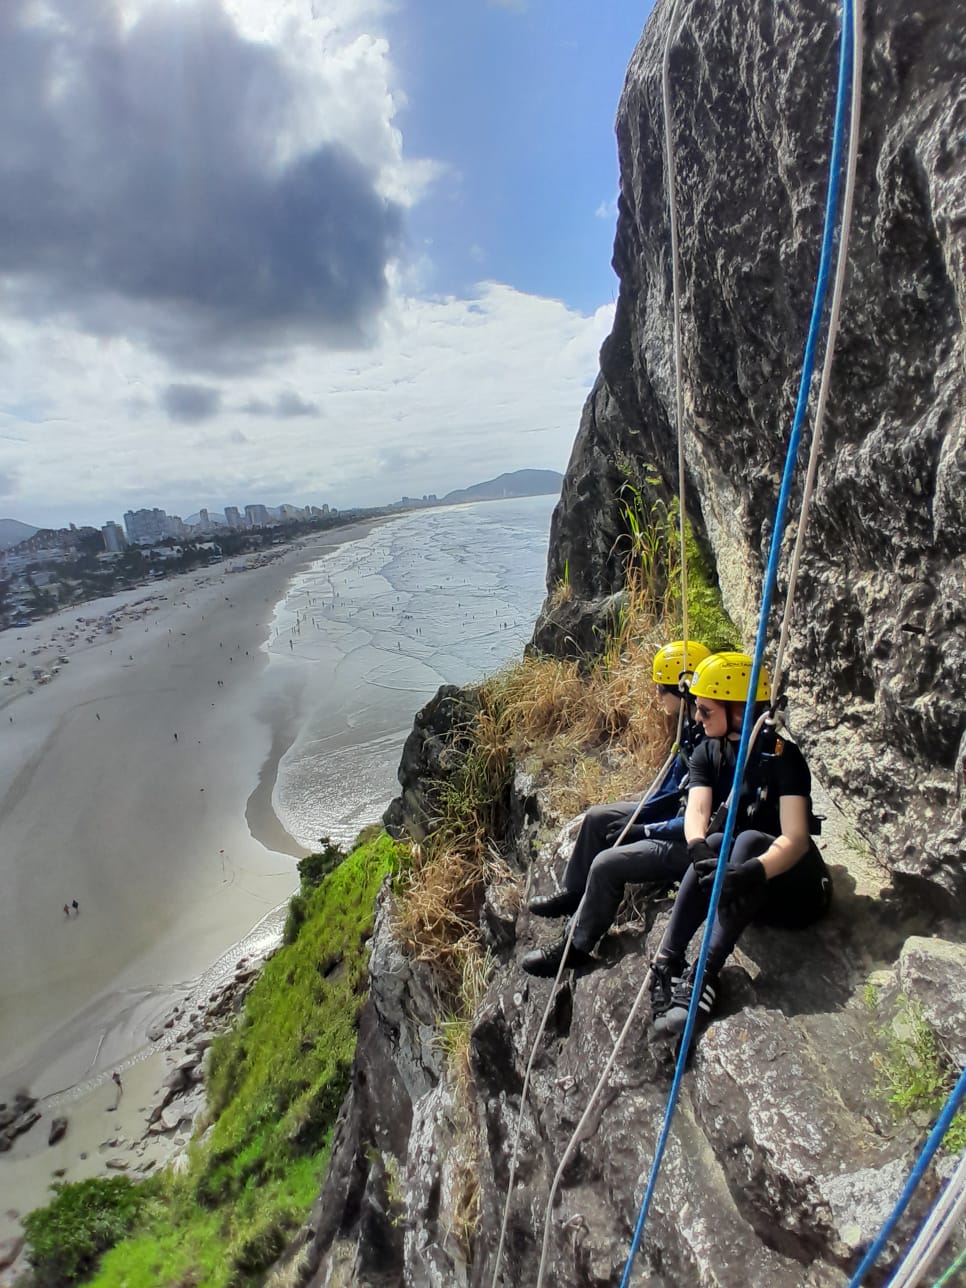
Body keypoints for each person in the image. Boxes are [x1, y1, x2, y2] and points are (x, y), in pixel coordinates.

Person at [649, 651, 831, 1037]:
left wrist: (749, 871)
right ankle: (668, 962)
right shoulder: (708, 750)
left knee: (745, 839)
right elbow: (698, 810)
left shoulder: (782, 758)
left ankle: (704, 975)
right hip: (749, 892)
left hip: (795, 890)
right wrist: (698, 850)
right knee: (714, 840)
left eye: (706, 711)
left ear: (738, 711)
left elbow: (796, 839)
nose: (697, 718)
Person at [521, 641, 710, 978]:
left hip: (687, 836)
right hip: (674, 811)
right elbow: (672, 790)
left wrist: (646, 827)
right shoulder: (694, 726)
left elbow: (698, 817)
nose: (656, 696)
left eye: (661, 689)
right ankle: (577, 893)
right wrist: (642, 812)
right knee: (596, 818)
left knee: (606, 865)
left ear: (682, 690)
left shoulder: (707, 739)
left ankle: (576, 946)